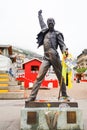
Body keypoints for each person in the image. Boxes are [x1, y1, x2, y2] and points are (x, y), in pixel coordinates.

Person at [27, 10, 69, 101]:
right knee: (39, 76)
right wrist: (39, 15)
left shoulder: (57, 34)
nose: (50, 23)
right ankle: (32, 96)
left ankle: (64, 94)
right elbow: (41, 22)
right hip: (46, 57)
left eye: (51, 22)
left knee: (60, 76)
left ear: (54, 23)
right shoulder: (44, 31)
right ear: (47, 24)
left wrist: (65, 51)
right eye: (48, 22)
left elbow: (62, 45)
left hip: (54, 56)